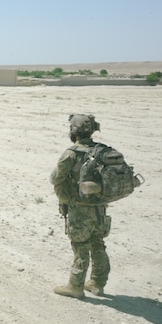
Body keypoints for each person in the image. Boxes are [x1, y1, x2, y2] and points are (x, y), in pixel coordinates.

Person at [50, 114, 111, 298]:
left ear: (73, 132)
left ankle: (75, 286)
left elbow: (55, 178)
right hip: (100, 207)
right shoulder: (102, 152)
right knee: (98, 244)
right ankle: (97, 283)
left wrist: (66, 198)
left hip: (79, 208)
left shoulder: (71, 154)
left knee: (80, 246)